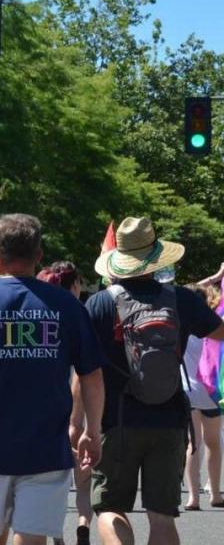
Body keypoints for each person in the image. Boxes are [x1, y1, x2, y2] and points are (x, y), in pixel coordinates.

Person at [0, 213, 105, 545]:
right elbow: (92, 375)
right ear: (39, 255)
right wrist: (91, 431)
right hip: (46, 447)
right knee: (32, 538)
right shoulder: (66, 305)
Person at [83, 216, 224, 545]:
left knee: (110, 509)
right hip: (169, 419)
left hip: (115, 422)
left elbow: (85, 372)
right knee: (162, 518)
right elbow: (219, 332)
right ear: (155, 257)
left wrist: (79, 424)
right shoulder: (181, 300)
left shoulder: (101, 303)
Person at [37, 261, 93, 545]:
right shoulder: (79, 313)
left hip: (54, 407)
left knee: (54, 484)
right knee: (84, 482)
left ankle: (57, 537)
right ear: (74, 285)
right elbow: (86, 372)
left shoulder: (43, 312)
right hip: (82, 397)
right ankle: (83, 524)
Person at [181, 284, 224, 511]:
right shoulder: (212, 329)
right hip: (210, 392)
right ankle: (215, 493)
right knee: (213, 443)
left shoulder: (181, 327)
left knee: (193, 444)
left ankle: (193, 497)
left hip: (188, 391)